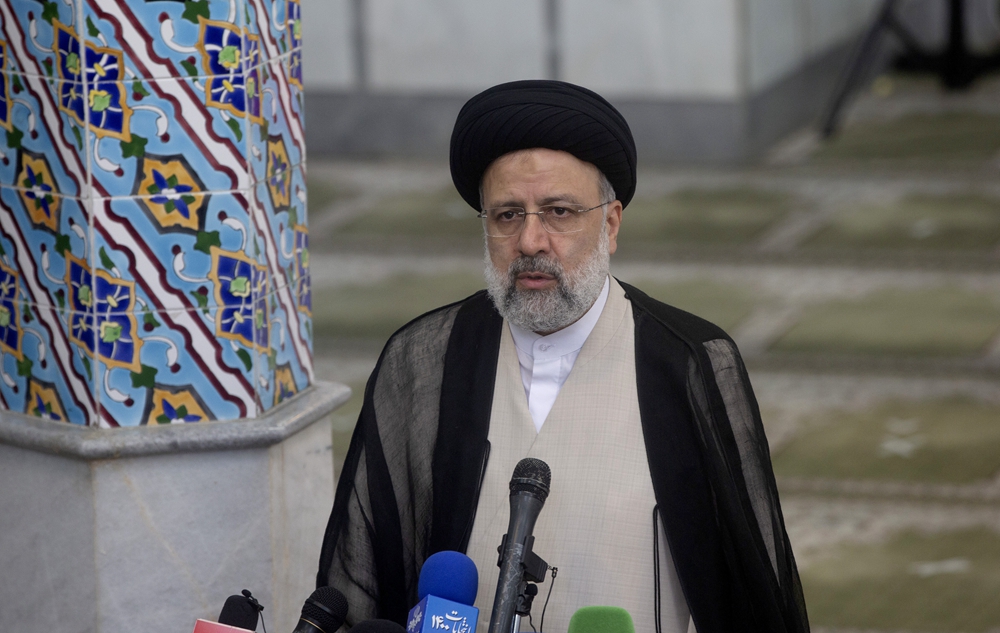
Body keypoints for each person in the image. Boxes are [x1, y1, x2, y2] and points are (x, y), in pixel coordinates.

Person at [318, 80, 809, 633]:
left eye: (558, 211)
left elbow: (750, 595)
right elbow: (364, 580)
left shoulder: (692, 364)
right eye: (508, 215)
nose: (530, 241)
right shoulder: (421, 360)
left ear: (611, 224)